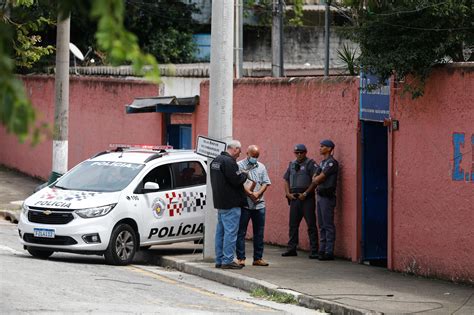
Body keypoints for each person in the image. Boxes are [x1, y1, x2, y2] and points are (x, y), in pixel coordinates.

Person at [210, 140, 248, 269]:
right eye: (240, 151)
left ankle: (219, 260)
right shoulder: (229, 162)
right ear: (235, 149)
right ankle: (227, 260)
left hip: (220, 202)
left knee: (220, 233)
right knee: (230, 233)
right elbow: (236, 180)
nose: (240, 154)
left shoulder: (216, 160)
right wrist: (244, 175)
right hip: (231, 203)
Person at [236, 145, 271, 267]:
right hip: (245, 205)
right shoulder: (240, 166)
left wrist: (258, 193)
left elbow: (266, 183)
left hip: (259, 205)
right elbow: (239, 183)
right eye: (253, 156)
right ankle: (241, 258)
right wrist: (251, 194)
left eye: (257, 156)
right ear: (247, 153)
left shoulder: (261, 167)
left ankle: (258, 258)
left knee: (259, 233)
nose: (255, 158)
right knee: (241, 232)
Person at [282, 144, 319, 259]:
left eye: (301, 152)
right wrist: (288, 194)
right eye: (296, 153)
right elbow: (286, 179)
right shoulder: (292, 164)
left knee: (311, 224)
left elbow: (315, 181)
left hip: (307, 198)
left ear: (305, 152)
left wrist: (306, 193)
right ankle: (291, 249)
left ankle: (314, 250)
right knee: (293, 225)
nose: (299, 155)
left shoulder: (310, 163)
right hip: (294, 197)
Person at [312, 139, 339, 261]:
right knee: (321, 225)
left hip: (327, 197)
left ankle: (329, 251)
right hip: (320, 195)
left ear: (329, 148)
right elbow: (314, 178)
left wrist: (317, 178)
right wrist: (317, 178)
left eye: (323, 146)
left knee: (328, 225)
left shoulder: (331, 163)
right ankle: (322, 250)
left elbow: (319, 178)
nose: (320, 148)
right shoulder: (322, 163)